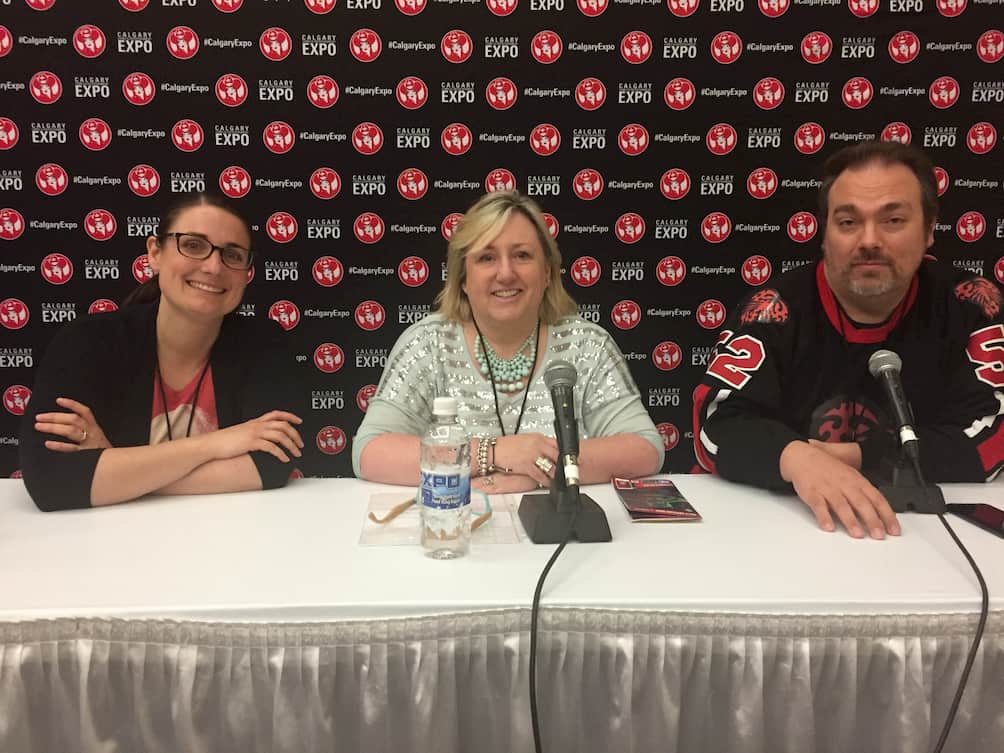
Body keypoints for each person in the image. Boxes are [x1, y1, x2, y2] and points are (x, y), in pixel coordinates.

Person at [694, 141, 1004, 539]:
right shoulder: (772, 310)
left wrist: (861, 457)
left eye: (893, 220)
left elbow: (993, 434)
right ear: (824, 234)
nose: (869, 240)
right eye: (848, 222)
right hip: (792, 528)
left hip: (926, 533)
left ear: (929, 230)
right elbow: (715, 426)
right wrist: (794, 458)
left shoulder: (971, 305)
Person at [354, 191, 663, 492]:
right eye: (487, 257)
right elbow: (370, 453)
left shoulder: (586, 345)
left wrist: (539, 472)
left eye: (522, 256)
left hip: (561, 534)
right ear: (463, 278)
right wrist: (496, 454)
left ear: (546, 273)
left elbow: (644, 449)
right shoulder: (428, 342)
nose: (505, 273)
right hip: (456, 529)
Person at [19, 193, 304, 511]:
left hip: (227, 540)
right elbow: (51, 481)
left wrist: (117, 468)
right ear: (155, 252)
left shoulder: (264, 345)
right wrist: (215, 444)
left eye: (232, 255)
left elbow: (272, 465)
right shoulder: (88, 342)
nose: (213, 267)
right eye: (193, 245)